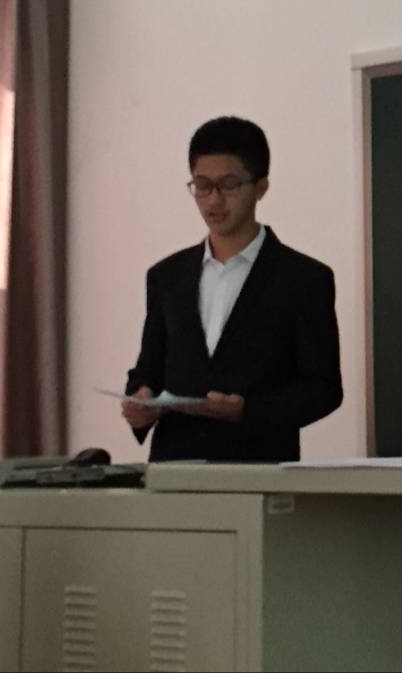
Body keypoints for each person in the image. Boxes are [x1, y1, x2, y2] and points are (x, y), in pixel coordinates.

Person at [122, 116, 343, 461]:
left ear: (260, 187)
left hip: (258, 468)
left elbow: (323, 389)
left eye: (228, 185)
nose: (213, 201)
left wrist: (248, 411)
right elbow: (149, 368)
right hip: (175, 468)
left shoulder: (304, 279)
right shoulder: (166, 277)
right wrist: (141, 399)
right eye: (202, 185)